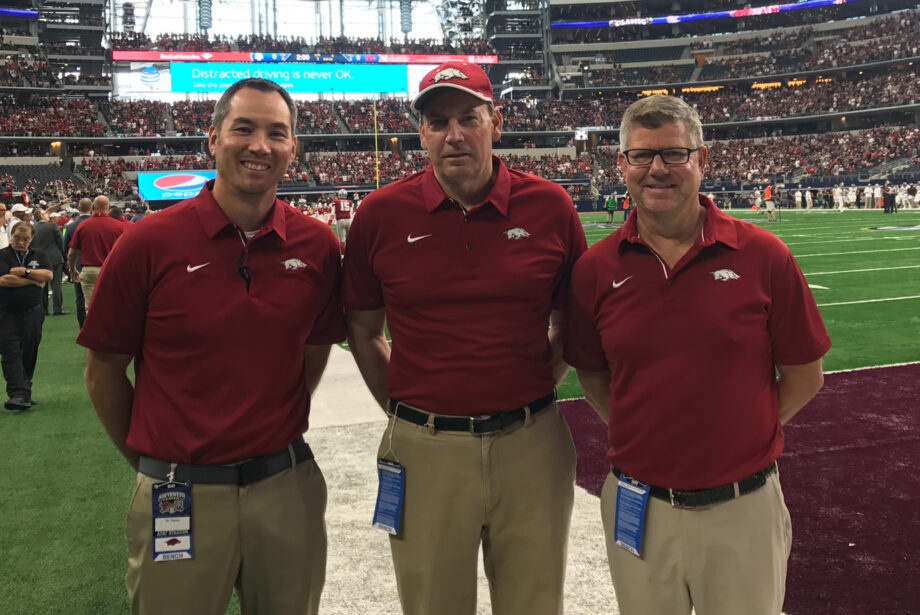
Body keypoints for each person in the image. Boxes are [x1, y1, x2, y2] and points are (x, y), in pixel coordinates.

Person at [77, 78, 344, 615]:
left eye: (277, 133)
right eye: (243, 128)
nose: (260, 145)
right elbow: (103, 372)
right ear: (213, 139)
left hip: (284, 485)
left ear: (294, 148)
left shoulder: (316, 245)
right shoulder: (147, 243)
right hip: (180, 490)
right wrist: (156, 462)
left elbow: (311, 354)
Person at [565, 95, 831, 615]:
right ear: (621, 165)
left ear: (702, 160)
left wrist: (739, 433)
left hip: (742, 505)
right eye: (641, 156)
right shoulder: (595, 269)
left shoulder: (763, 256)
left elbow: (804, 374)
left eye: (674, 153)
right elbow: (593, 376)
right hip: (636, 501)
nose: (657, 169)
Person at [343, 61, 586, 615]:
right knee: (432, 604)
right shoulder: (380, 214)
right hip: (423, 448)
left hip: (531, 440)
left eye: (468, 118)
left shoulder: (549, 206)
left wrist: (533, 383)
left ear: (495, 122)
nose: (454, 134)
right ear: (421, 132)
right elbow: (361, 328)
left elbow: (570, 320)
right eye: (437, 121)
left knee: (534, 602)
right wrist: (406, 408)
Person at [0, 222, 52, 412]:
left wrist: (25, 272)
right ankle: (17, 393)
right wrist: (33, 281)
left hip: (33, 312)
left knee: (29, 351)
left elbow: (47, 275)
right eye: (17, 238)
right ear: (11, 236)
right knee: (10, 352)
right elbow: (4, 280)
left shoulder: (39, 255)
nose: (20, 242)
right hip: (6, 312)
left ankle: (25, 389)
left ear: (31, 239)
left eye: (25, 239)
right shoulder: (3, 256)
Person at [66, 195, 124, 310]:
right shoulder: (119, 226)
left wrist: (73, 270)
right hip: (111, 270)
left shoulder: (83, 225)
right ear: (108, 208)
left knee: (91, 309)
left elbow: (72, 252)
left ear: (93, 207)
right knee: (113, 307)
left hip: (90, 269)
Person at [31, 209, 67, 315]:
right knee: (56, 285)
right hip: (55, 258)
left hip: (40, 260)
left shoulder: (33, 228)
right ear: (42, 216)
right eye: (45, 213)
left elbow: (31, 246)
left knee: (43, 286)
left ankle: (44, 309)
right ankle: (57, 309)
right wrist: (64, 257)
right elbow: (61, 242)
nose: (48, 215)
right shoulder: (52, 226)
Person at [62, 197, 91, 326]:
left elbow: (66, 248)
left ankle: (83, 326)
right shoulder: (96, 223)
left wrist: (70, 268)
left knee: (80, 298)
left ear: (79, 208)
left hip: (78, 264)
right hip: (99, 265)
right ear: (92, 208)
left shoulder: (70, 226)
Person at [332, 188, 353, 253]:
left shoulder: (335, 202)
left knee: (342, 240)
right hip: (349, 220)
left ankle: (343, 254)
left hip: (340, 220)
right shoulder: (349, 202)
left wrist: (329, 223)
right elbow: (351, 213)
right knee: (350, 238)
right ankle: (352, 252)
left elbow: (332, 214)